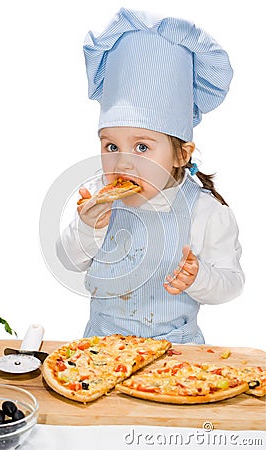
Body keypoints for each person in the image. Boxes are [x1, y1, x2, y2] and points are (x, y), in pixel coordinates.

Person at [57, 8, 244, 344]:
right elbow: (68, 260)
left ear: (181, 154)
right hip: (99, 352)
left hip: (177, 357)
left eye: (142, 148)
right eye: (112, 146)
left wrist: (199, 278)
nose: (124, 163)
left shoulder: (205, 212)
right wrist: (89, 227)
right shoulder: (97, 195)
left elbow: (232, 283)